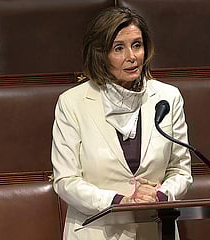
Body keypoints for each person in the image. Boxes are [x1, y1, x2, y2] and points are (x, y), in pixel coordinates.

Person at [51, 7, 192, 240]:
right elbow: (66, 181)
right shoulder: (72, 103)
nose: (132, 56)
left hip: (155, 231)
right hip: (95, 232)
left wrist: (160, 196)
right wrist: (119, 202)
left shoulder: (168, 98)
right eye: (119, 48)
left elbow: (180, 171)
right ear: (100, 54)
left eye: (137, 45)